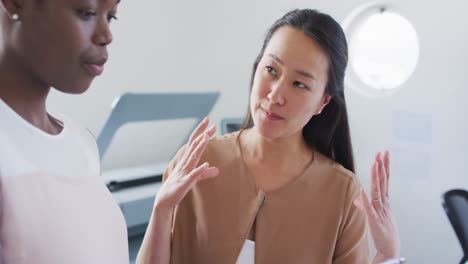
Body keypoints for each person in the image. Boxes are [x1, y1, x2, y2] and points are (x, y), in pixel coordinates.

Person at [137, 8, 403, 264]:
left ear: (323, 102)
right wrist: (161, 211)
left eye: (299, 83)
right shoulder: (196, 162)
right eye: (271, 70)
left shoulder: (343, 194)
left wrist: (387, 254)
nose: (275, 95)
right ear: (256, 68)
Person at [0, 0, 217, 263]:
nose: (106, 36)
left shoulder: (81, 142)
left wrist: (163, 209)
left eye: (111, 16)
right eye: (87, 13)